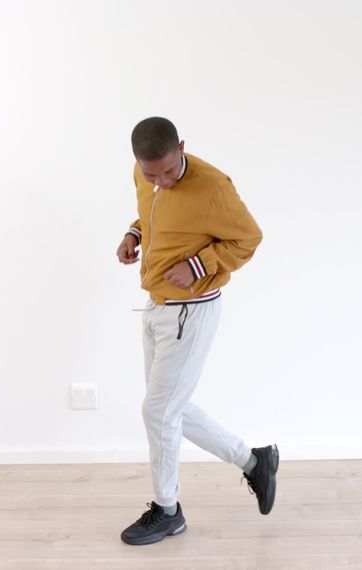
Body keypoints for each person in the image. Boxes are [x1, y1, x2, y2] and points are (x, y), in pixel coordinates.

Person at [115, 116, 278, 546]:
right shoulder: (145, 173)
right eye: (152, 174)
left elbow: (248, 238)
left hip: (192, 310)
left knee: (159, 411)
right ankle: (254, 462)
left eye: (169, 171)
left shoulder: (212, 186)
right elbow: (151, 211)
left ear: (182, 146)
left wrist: (200, 265)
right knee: (169, 407)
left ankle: (168, 510)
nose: (162, 181)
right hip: (156, 305)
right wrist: (134, 234)